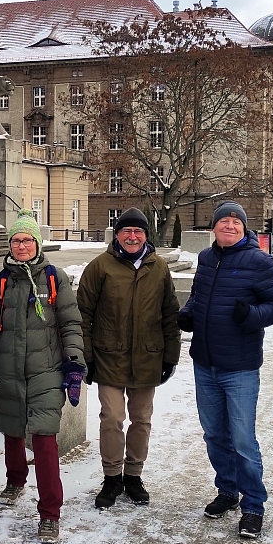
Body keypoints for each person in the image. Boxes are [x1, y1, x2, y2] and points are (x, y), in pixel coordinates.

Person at [0, 210, 85, 544]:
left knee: (45, 440)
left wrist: (75, 364)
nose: (22, 246)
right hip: (8, 368)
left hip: (46, 371)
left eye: (27, 240)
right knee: (11, 429)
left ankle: (50, 513)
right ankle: (15, 480)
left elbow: (70, 323)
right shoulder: (1, 280)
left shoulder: (54, 277)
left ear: (37, 243)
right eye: (16, 240)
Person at [178, 201, 273, 539]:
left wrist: (251, 316)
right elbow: (198, 297)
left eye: (235, 221)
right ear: (214, 227)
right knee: (214, 434)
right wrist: (188, 314)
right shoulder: (207, 258)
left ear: (243, 227)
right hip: (205, 363)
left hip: (239, 367)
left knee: (242, 440)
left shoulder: (259, 261)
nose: (229, 225)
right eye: (223, 221)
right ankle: (228, 490)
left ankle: (254, 505)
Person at [76, 207, 180, 509]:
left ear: (146, 236)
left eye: (138, 232)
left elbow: (169, 314)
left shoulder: (158, 267)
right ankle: (112, 476)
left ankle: (133, 474)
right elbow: (83, 315)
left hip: (148, 357)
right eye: (127, 231)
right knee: (111, 418)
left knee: (142, 419)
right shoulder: (100, 267)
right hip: (109, 357)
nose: (132, 236)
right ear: (117, 235)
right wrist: (87, 356)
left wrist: (170, 357)